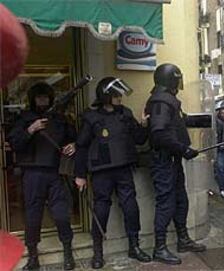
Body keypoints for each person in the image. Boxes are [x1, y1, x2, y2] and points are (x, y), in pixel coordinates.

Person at [74, 77, 151, 269]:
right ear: (106, 96)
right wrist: (80, 174)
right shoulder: (91, 117)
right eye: (116, 94)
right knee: (101, 210)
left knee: (131, 207)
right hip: (101, 172)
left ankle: (134, 246)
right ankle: (98, 252)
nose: (120, 97)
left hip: (123, 168)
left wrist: (143, 124)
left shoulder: (125, 113)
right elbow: (82, 147)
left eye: (120, 94)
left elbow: (139, 140)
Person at [8, 82, 76, 270]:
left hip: (56, 172)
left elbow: (74, 137)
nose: (42, 101)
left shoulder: (59, 118)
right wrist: (31, 129)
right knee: (33, 216)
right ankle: (33, 257)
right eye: (39, 97)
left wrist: (74, 145)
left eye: (45, 97)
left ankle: (68, 253)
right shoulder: (24, 118)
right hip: (32, 173)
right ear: (33, 99)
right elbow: (14, 143)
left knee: (62, 215)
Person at [145, 63, 206, 265]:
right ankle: (159, 248)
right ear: (171, 79)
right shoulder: (161, 101)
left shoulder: (168, 101)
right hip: (164, 161)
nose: (180, 83)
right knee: (166, 203)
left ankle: (183, 239)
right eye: (177, 78)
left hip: (172, 160)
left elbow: (173, 125)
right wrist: (183, 149)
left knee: (181, 200)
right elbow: (159, 134)